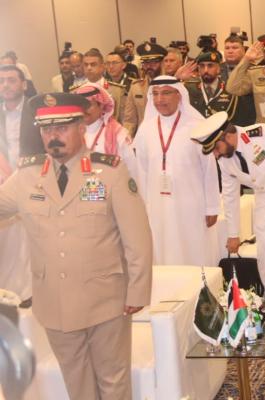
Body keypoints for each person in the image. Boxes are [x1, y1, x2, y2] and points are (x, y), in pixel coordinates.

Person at [0, 92, 152, 400]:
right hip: (54, 302)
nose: (53, 136)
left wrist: (137, 291)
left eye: (62, 127)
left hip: (105, 300)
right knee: (76, 383)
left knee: (113, 380)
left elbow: (138, 237)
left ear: (81, 127)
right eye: (47, 129)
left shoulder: (110, 172)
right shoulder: (26, 176)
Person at [192, 112, 265, 299]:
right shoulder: (224, 160)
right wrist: (233, 234)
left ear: (228, 136)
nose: (216, 154)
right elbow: (230, 195)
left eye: (216, 148)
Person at [132, 76, 220, 266]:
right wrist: (142, 207)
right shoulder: (146, 129)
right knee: (161, 249)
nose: (159, 99)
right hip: (157, 205)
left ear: (179, 95)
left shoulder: (197, 126)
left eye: (166, 93)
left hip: (191, 204)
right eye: (155, 94)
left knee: (192, 249)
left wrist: (212, 206)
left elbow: (209, 169)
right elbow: (142, 171)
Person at [0, 64, 32, 303]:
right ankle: (8, 294)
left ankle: (30, 293)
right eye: (2, 81)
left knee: (29, 243)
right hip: (3, 186)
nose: (6, 85)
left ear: (24, 84)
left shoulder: (35, 111)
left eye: (11, 80)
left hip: (31, 184)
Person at [72, 83, 138, 178]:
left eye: (88, 105)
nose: (83, 110)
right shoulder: (71, 133)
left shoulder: (119, 134)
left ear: (101, 106)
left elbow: (132, 170)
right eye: (80, 105)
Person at [186, 51, 256, 127]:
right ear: (198, 69)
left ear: (219, 69)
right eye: (202, 66)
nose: (206, 70)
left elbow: (240, 118)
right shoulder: (189, 88)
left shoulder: (230, 88)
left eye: (210, 66)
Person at [122, 42, 167, 135]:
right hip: (144, 137)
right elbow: (130, 120)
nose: (149, 66)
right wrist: (127, 138)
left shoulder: (172, 86)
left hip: (167, 135)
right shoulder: (136, 87)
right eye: (145, 63)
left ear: (162, 63)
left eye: (153, 62)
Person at [73, 49, 127, 123]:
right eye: (86, 65)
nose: (89, 68)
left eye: (93, 64)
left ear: (102, 67)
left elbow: (124, 120)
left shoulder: (117, 90)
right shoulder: (76, 91)